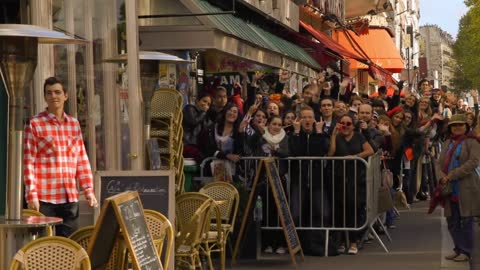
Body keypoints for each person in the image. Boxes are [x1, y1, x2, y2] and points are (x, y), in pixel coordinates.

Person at [23, 77, 98, 237]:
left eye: (57, 92)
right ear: (45, 97)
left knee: (69, 246)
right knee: (45, 248)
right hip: (44, 199)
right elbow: (28, 162)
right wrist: (31, 195)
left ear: (66, 95)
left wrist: (88, 190)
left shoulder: (74, 124)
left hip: (69, 197)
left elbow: (81, 159)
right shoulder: (35, 124)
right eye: (49, 93)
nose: (53, 96)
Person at [435, 114, 480, 263]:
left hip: (466, 186)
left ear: (466, 126)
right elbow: (439, 163)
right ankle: (458, 248)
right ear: (450, 128)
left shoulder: (472, 142)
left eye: (460, 125)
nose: (457, 127)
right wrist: (441, 175)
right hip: (449, 187)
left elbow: (473, 162)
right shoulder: (447, 142)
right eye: (454, 125)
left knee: (466, 220)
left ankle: (467, 252)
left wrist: (452, 175)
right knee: (452, 220)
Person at [328, 114, 374, 255]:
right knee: (339, 210)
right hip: (339, 178)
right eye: (343, 123)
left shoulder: (359, 137)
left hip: (356, 179)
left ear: (353, 126)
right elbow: (331, 154)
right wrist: (334, 136)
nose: (345, 126)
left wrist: (355, 157)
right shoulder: (336, 136)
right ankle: (341, 242)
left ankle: (353, 242)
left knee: (353, 209)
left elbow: (370, 150)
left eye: (348, 123)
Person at [182, 93, 213, 163]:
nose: (206, 105)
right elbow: (192, 122)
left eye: (208, 104)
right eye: (204, 101)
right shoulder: (189, 108)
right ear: (197, 101)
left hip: (198, 146)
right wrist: (204, 112)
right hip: (187, 144)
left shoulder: (203, 116)